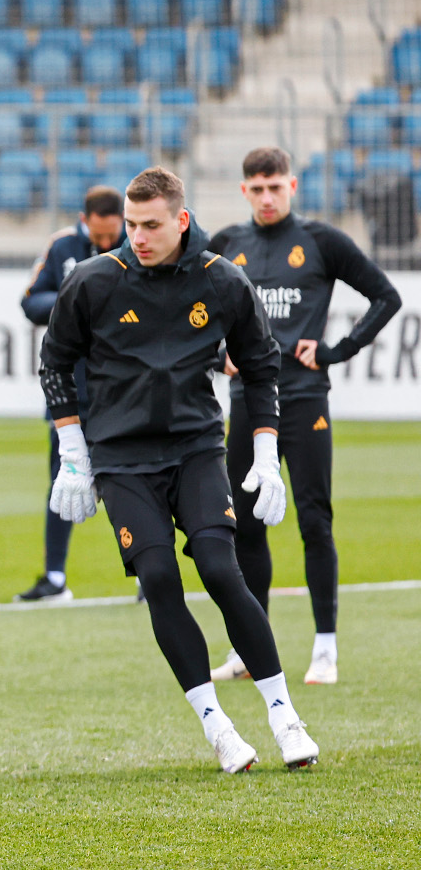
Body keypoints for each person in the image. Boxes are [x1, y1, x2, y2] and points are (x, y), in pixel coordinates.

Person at [39, 166, 320, 774]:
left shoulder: (224, 282)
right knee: (160, 580)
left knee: (222, 568)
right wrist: (72, 455)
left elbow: (262, 363)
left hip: (196, 448)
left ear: (181, 220)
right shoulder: (92, 282)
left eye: (150, 225)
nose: (136, 236)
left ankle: (283, 716)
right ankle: (217, 725)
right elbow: (55, 362)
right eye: (130, 225)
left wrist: (268, 455)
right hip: (121, 460)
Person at [208, 147, 402, 686]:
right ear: (244, 191)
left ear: (292, 186)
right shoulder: (226, 246)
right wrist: (212, 354)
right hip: (247, 401)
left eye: (276, 187)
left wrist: (337, 350)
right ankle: (252, 648)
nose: (267, 197)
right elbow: (185, 309)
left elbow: (386, 297)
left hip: (304, 398)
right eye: (257, 188)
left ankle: (325, 648)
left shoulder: (321, 241)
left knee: (314, 521)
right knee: (244, 525)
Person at [15, 186, 125, 603]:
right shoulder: (62, 246)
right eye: (98, 235)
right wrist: (77, 296)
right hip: (70, 391)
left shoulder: (135, 246)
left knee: (131, 485)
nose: (104, 242)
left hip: (123, 390)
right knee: (62, 481)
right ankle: (55, 577)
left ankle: (147, 576)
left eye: (110, 234)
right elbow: (30, 302)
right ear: (85, 219)